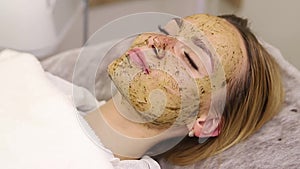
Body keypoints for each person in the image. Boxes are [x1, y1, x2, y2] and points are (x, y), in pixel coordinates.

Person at [81, 13, 284, 167]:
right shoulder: (59, 92)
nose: (157, 43)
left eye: (190, 58)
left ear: (205, 124)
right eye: (166, 32)